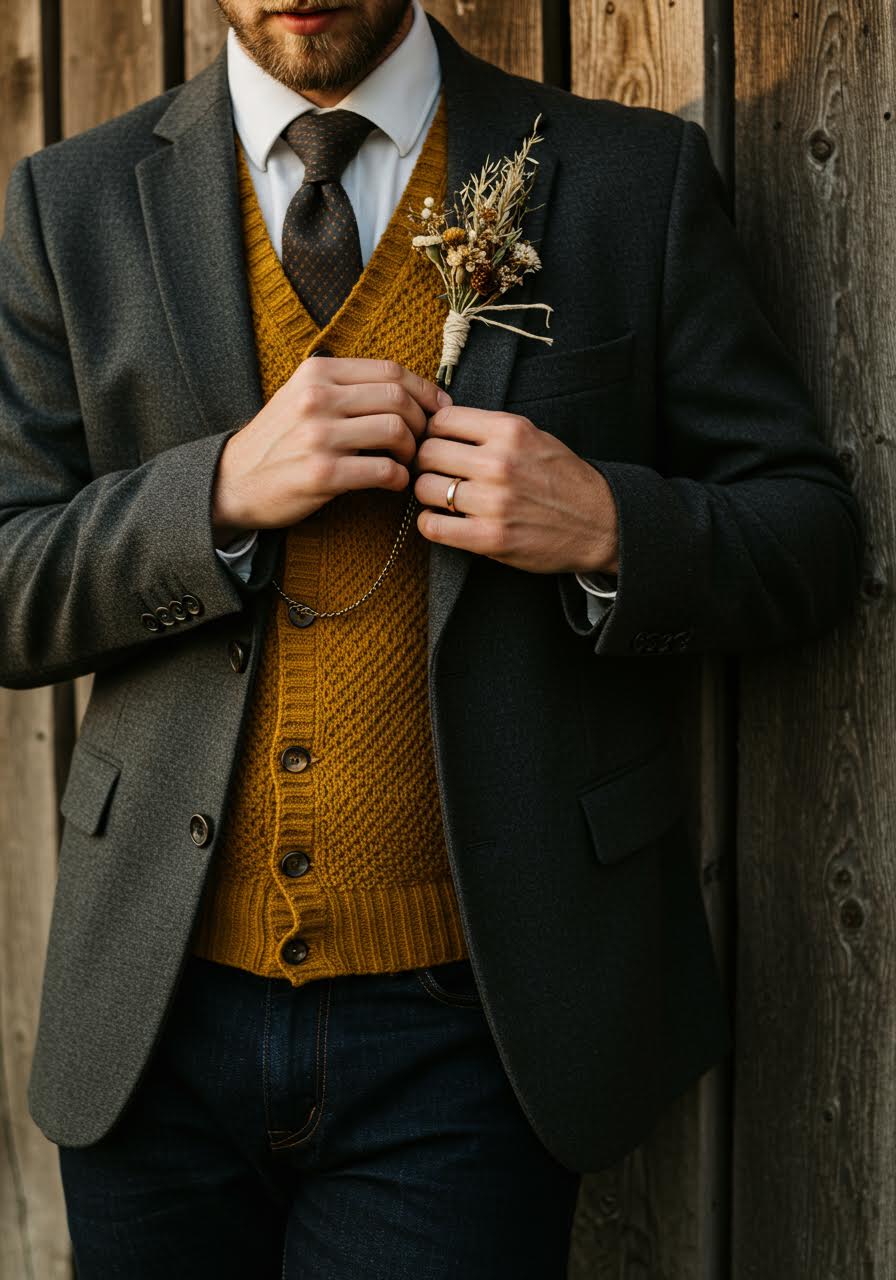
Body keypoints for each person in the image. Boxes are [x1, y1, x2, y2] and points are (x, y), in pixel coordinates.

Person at [0, 0, 861, 1275]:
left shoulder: (627, 179)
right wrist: (215, 493)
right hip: (152, 1026)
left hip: (471, 1038)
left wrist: (608, 526)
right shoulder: (66, 206)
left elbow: (808, 537)